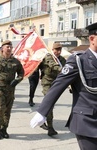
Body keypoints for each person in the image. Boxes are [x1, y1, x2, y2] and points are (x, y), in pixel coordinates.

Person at [30, 22, 97, 150]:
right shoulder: (78, 60)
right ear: (92, 39)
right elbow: (57, 86)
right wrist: (42, 112)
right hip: (88, 122)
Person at [38, 42, 66, 135]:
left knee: (49, 103)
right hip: (47, 82)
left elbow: (66, 70)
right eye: (56, 50)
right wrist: (62, 70)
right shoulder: (49, 57)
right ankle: (50, 128)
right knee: (49, 103)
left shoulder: (62, 59)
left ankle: (40, 117)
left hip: (56, 83)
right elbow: (53, 65)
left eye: (59, 50)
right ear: (52, 50)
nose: (58, 52)